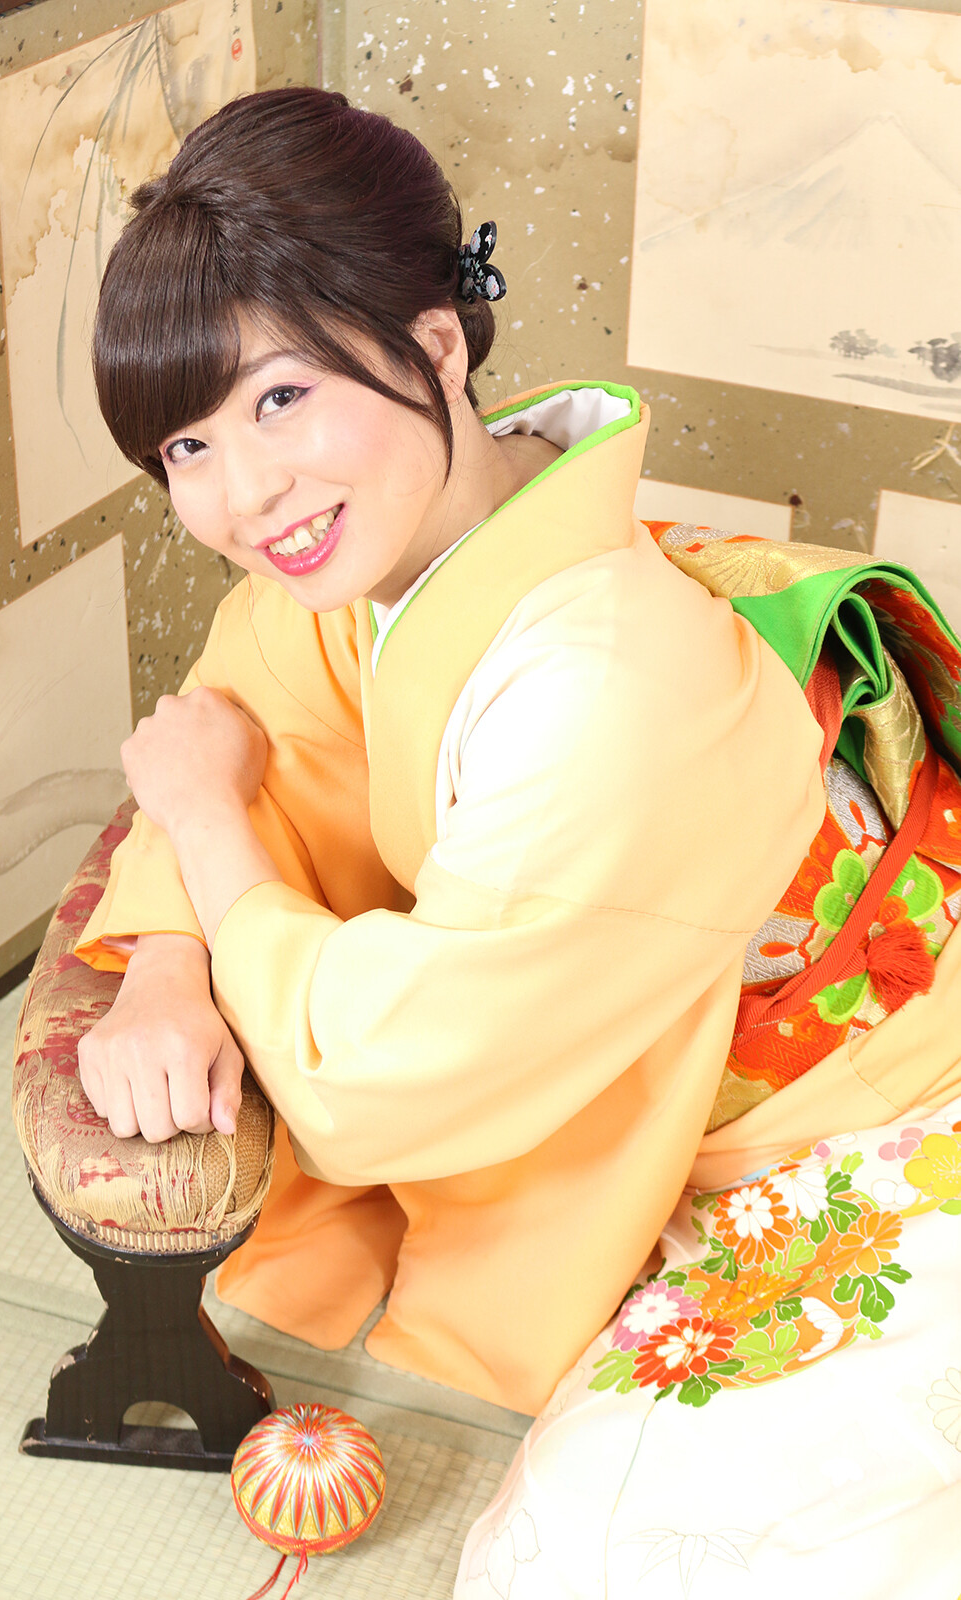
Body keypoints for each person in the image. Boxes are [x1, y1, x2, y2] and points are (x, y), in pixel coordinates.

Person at [74, 83, 961, 1477]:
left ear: (435, 346)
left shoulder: (602, 678)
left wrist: (196, 820)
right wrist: (170, 963)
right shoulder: (397, 533)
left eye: (282, 399)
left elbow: (379, 1073)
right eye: (188, 446)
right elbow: (239, 720)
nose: (242, 498)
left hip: (839, 1100)